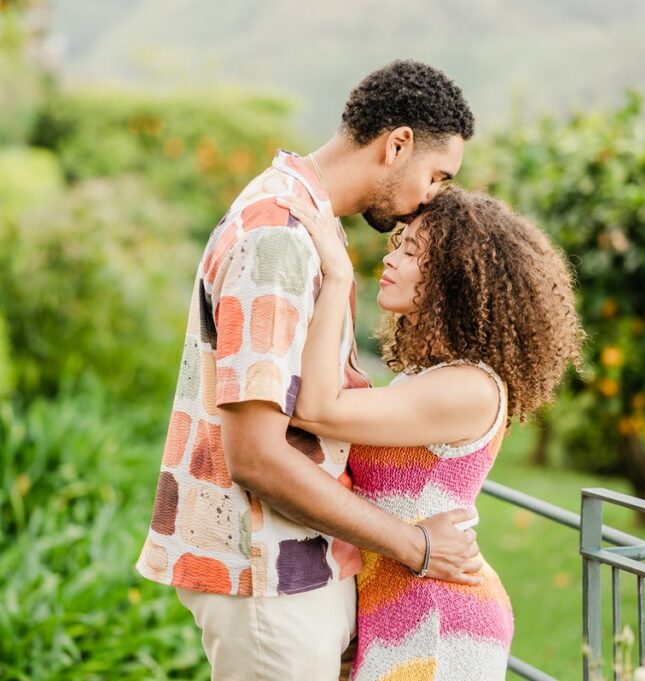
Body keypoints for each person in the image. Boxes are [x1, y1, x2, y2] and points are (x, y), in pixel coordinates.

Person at [135, 60, 481, 680]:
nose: (431, 198)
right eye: (435, 176)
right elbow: (256, 456)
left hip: (291, 569)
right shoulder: (281, 238)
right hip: (266, 575)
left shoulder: (309, 224)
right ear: (396, 143)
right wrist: (416, 546)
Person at [279, 186, 585, 680]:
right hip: (403, 608)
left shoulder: (471, 387)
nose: (393, 258)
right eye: (400, 243)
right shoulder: (431, 376)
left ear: (455, 281)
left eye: (414, 252)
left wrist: (337, 278)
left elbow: (314, 409)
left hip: (441, 624)